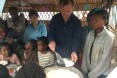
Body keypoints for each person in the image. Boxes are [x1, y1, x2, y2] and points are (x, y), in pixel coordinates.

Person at [81, 8, 114, 78]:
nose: (93, 22)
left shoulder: (109, 37)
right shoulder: (90, 34)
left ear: (105, 21)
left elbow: (105, 61)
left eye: (96, 20)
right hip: (90, 71)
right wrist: (84, 70)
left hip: (102, 74)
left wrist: (91, 75)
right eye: (92, 20)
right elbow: (85, 52)